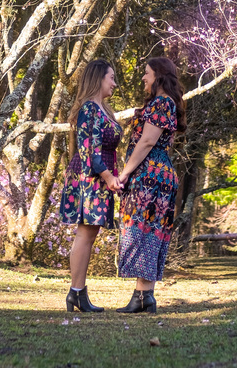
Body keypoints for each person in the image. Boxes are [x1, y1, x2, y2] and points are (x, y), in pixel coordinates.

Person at [115, 56, 187, 313]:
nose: (143, 78)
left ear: (158, 76)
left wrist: (124, 173)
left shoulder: (161, 102)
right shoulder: (165, 103)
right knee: (149, 231)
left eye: (147, 73)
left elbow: (146, 142)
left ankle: (143, 297)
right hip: (156, 175)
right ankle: (144, 296)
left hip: (150, 176)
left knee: (143, 231)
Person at [58, 59, 123, 313]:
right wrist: (108, 178)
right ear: (99, 79)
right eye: (111, 77)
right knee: (85, 234)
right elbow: (89, 152)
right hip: (88, 178)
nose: (114, 83)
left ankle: (78, 293)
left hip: (98, 178)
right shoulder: (89, 109)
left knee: (89, 234)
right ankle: (76, 293)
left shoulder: (102, 110)